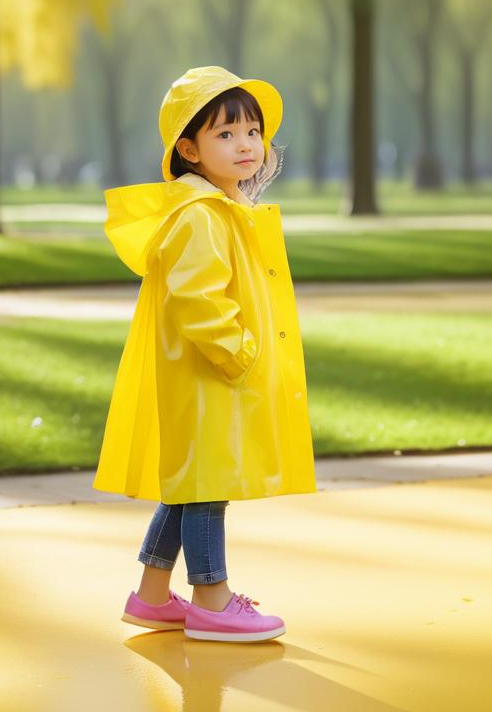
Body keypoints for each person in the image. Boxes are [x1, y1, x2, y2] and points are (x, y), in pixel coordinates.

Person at [92, 66, 317, 643]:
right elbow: (197, 298)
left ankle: (150, 596)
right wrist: (238, 354)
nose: (245, 144)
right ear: (189, 149)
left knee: (192, 481)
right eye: (226, 134)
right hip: (209, 370)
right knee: (207, 484)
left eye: (252, 132)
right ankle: (211, 599)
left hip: (206, 370)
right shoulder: (200, 216)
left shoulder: (219, 209)